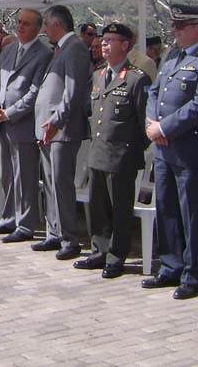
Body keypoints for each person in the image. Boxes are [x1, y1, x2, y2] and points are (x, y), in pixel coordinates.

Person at [143, 4, 198, 300]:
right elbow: (154, 92)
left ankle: (191, 275)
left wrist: (164, 128)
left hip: (190, 151)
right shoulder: (173, 56)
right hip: (164, 150)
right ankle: (170, 266)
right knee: (165, 209)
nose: (175, 31)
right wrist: (152, 123)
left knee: (191, 214)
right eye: (174, 26)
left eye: (181, 26)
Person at [73, 23, 150, 279]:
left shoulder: (136, 79)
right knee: (98, 209)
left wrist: (130, 150)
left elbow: (144, 123)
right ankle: (99, 251)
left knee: (119, 210)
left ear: (125, 45)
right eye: (103, 40)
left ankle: (116, 257)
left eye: (110, 41)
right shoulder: (98, 75)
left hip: (121, 157)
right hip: (98, 153)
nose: (104, 45)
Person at [0, 9, 53, 242]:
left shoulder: (44, 54)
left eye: (26, 23)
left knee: (24, 177)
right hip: (0, 122)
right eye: (19, 22)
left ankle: (25, 225)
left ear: (37, 28)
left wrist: (10, 113)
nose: (20, 26)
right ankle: (7, 219)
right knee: (5, 174)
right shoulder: (9, 49)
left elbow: (35, 91)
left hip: (23, 123)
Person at [33, 5, 91, 260]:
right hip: (49, 129)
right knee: (50, 183)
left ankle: (69, 239)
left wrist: (56, 121)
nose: (45, 30)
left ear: (57, 25)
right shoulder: (62, 49)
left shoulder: (75, 48)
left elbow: (73, 91)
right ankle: (54, 232)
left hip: (62, 129)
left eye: (47, 25)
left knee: (61, 183)